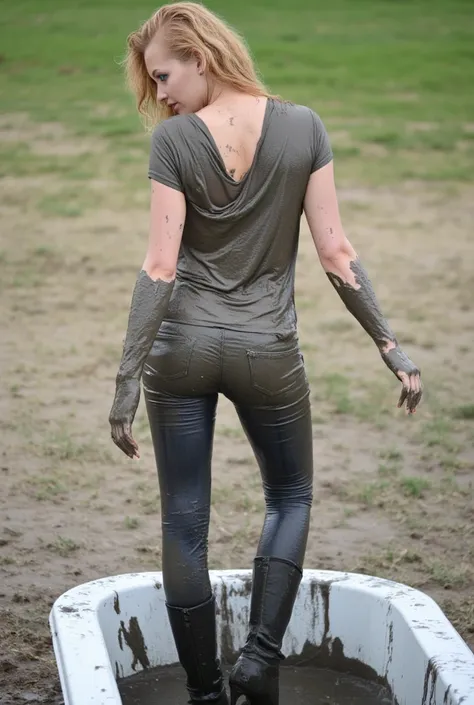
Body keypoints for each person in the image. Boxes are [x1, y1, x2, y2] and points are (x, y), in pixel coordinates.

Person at [109, 3, 423, 704]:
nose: (161, 95)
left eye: (164, 76)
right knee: (291, 496)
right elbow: (336, 251)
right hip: (268, 350)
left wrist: (126, 377)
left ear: (202, 55)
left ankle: (202, 691)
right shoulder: (305, 127)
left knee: (183, 518)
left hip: (181, 348)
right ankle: (258, 657)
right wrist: (391, 344)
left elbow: (161, 267)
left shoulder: (175, 144)